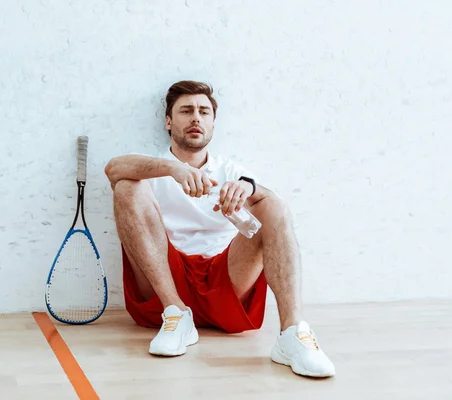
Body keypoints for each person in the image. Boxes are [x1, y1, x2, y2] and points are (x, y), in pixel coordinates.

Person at [104, 80, 335, 378]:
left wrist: (247, 188)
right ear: (168, 122)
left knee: (274, 205)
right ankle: (177, 314)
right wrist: (175, 169)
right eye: (186, 111)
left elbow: (265, 200)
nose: (196, 118)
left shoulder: (231, 169)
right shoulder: (153, 166)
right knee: (126, 187)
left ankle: (293, 334)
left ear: (213, 123)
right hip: (163, 283)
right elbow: (114, 167)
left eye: (204, 112)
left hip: (223, 279)